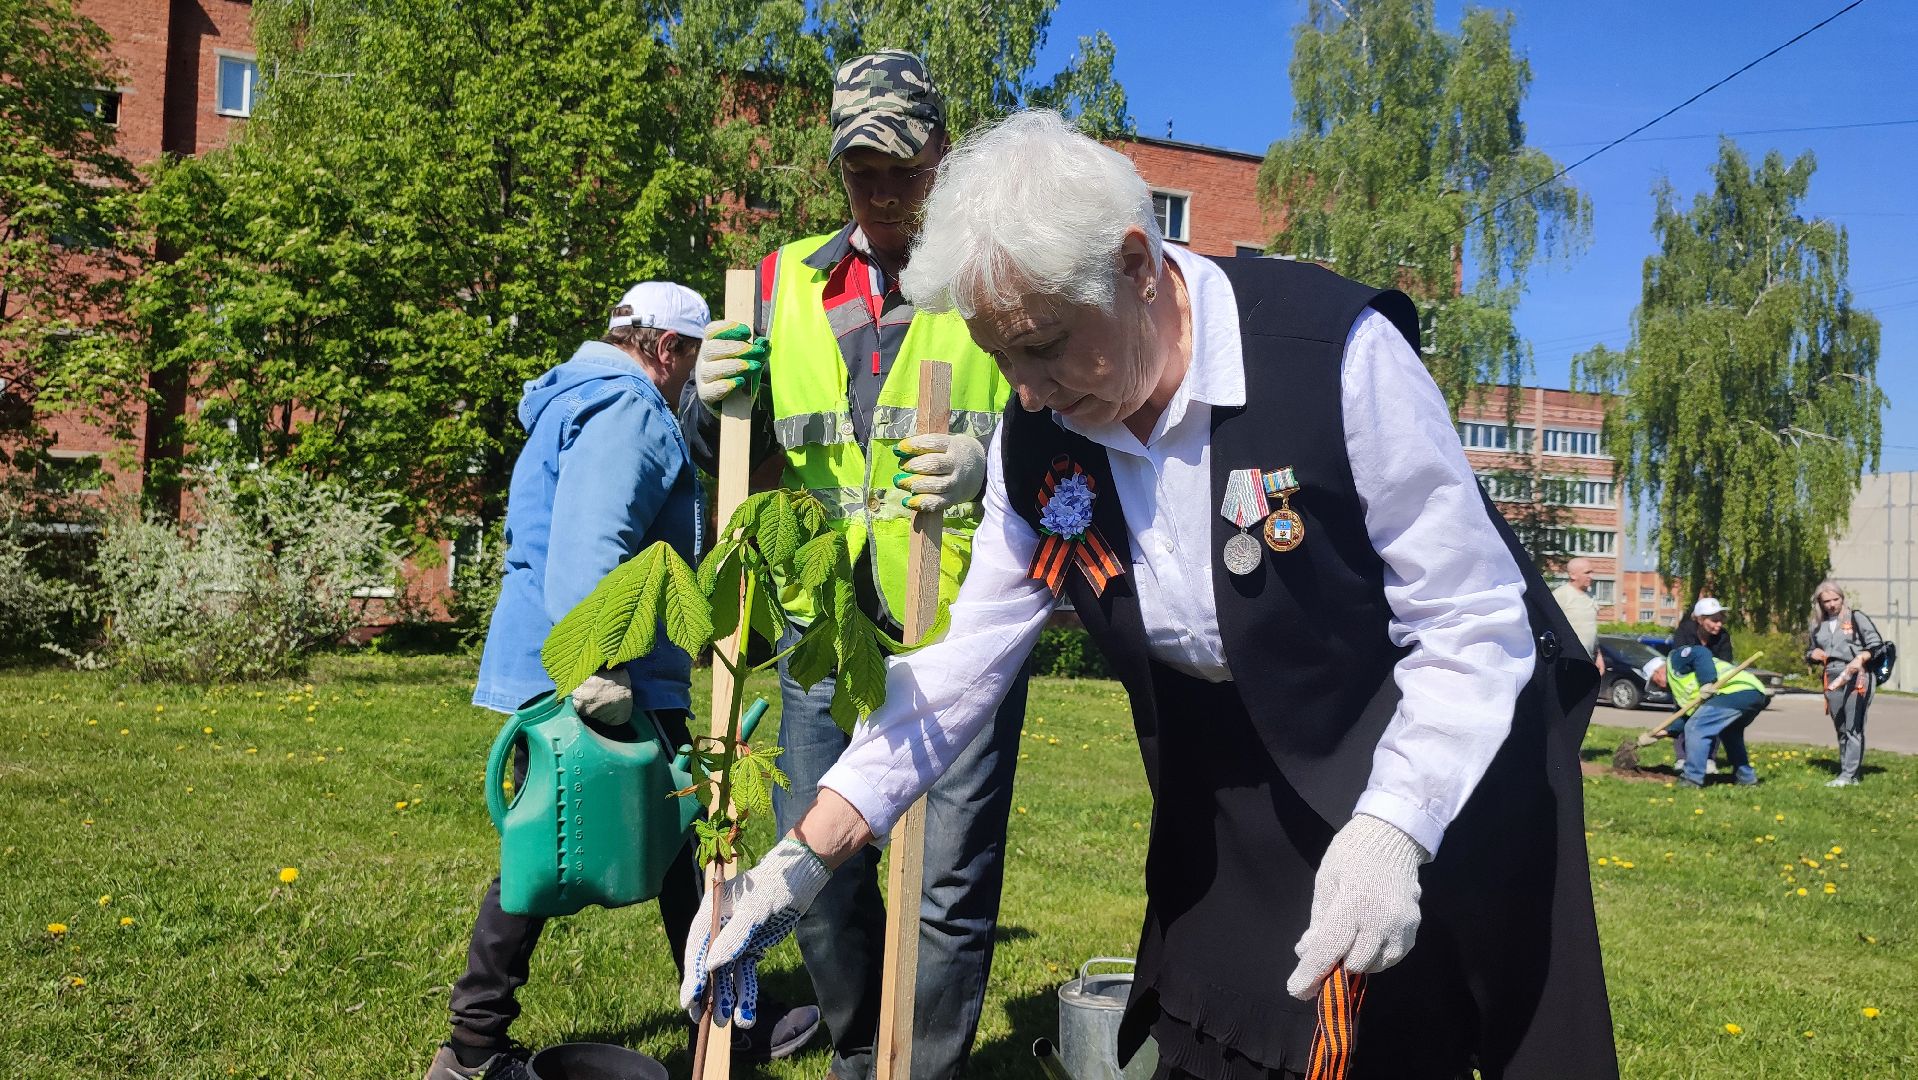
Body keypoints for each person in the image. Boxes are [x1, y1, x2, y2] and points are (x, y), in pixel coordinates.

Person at [680, 111, 1615, 1079]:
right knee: (1214, 1040)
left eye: (1043, 344)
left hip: (1440, 766)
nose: (1027, 391)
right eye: (998, 356)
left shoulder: (1333, 353)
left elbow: (1469, 622)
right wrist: (802, 859)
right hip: (1233, 788)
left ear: (1135, 263)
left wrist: (1391, 829)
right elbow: (961, 670)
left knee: (1412, 1042)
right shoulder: (1042, 437)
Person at [678, 51, 1024, 1080]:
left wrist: (989, 463)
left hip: (959, 618)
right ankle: (857, 1039)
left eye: (901, 169)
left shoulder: (994, 280)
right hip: (819, 625)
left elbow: (1071, 441)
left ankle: (916, 1068)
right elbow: (732, 453)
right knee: (808, 855)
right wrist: (704, 399)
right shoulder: (784, 280)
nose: (879, 193)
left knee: (949, 880)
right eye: (859, 171)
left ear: (942, 159)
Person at [430, 283, 818, 1080]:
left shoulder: (578, 395)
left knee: (642, 848)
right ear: (669, 349)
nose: (686, 388)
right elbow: (592, 538)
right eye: (689, 366)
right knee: (582, 846)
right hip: (608, 675)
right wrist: (599, 670)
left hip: (584, 667)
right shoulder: (630, 408)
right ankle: (477, 1046)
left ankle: (720, 1015)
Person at [1649, 645, 1763, 789]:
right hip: (1753, 693)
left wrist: (1706, 682)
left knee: (1696, 728)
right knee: (1730, 733)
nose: (1659, 687)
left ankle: (1692, 779)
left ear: (1657, 671)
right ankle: (1747, 779)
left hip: (1735, 690)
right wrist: (1662, 733)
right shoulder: (1679, 687)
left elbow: (1700, 652)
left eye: (1654, 681)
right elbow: (1686, 716)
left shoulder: (1675, 661)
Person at [1806, 580, 1883, 787]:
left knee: (1853, 726)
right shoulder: (1816, 624)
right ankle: (1847, 771)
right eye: (1826, 601)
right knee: (1840, 726)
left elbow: (1877, 645)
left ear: (1842, 598)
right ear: (1820, 603)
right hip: (1831, 674)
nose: (1831, 604)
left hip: (1858, 673)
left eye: (1835, 599)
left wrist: (1860, 659)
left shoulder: (1856, 618)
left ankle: (1849, 776)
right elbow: (1809, 651)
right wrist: (1813, 654)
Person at [1551, 557, 1603, 673]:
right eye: (1587, 572)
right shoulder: (1561, 595)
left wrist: (1598, 655)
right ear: (1573, 575)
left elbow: (1591, 630)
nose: (1591, 576)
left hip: (1589, 659)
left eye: (1592, 572)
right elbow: (1548, 625)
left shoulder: (1590, 596)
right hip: (1567, 661)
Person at [1673, 596, 1734, 662]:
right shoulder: (1684, 631)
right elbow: (1679, 657)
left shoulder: (1723, 636)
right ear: (1700, 620)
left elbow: (1726, 661)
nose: (1720, 624)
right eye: (1715, 621)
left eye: (1721, 620)